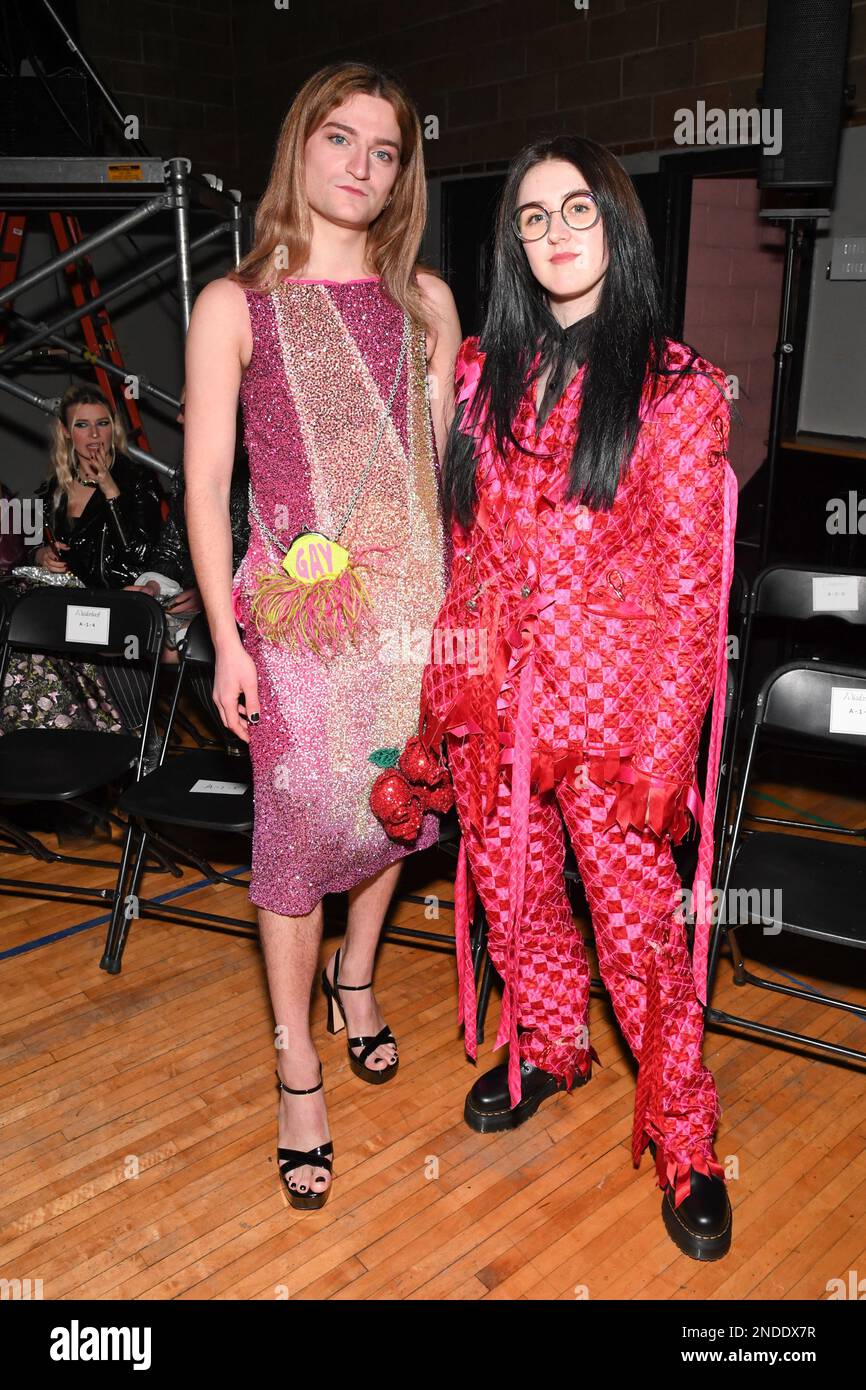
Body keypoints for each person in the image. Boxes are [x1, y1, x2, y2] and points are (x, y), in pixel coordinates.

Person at [372, 135, 738, 1261]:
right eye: (529, 217)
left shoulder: (673, 389)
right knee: (516, 899)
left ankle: (684, 1139)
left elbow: (685, 597)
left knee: (639, 942)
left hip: (609, 729)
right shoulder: (490, 380)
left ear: (615, 225)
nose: (552, 232)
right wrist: (444, 702)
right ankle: (546, 1046)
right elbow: (468, 560)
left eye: (573, 208)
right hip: (495, 707)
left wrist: (660, 760)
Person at [183, 61, 461, 1210]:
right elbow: (206, 486)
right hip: (295, 623)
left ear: (402, 172)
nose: (360, 165)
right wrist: (226, 640)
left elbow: (440, 477)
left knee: (396, 801)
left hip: (410, 616)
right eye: (339, 139)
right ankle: (297, 1059)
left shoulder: (426, 303)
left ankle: (357, 981)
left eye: (384, 149)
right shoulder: (233, 303)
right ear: (299, 147)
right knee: (296, 828)